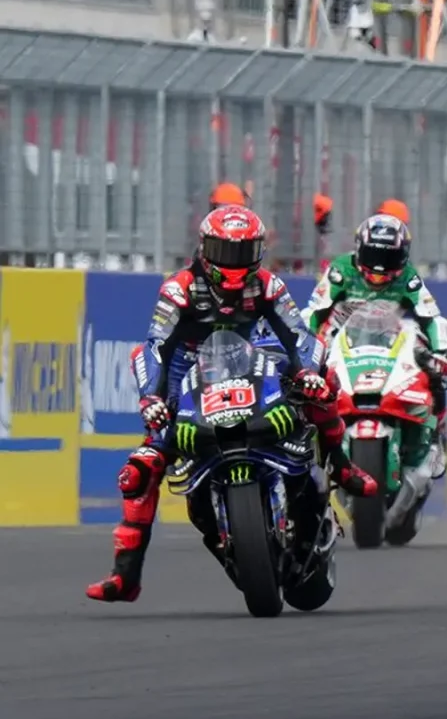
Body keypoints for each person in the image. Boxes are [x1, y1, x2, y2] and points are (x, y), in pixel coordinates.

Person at [88, 204, 377, 603]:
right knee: (140, 470)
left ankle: (340, 464)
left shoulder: (268, 285)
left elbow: (299, 336)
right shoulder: (178, 289)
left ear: (258, 252)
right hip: (189, 368)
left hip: (253, 353)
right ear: (205, 249)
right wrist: (151, 398)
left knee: (323, 382)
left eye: (243, 252)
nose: (234, 263)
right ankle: (126, 575)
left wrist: (306, 373)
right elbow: (154, 348)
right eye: (225, 251)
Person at [304, 210, 447, 474]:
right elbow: (314, 313)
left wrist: (441, 353)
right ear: (359, 250)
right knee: (305, 380)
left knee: (433, 370)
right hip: (341, 337)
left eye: (388, 258)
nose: (379, 267)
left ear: (403, 257)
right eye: (373, 256)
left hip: (392, 338)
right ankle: (305, 436)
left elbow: (430, 317)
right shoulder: (341, 270)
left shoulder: (408, 277)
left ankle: (436, 433)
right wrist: (306, 349)